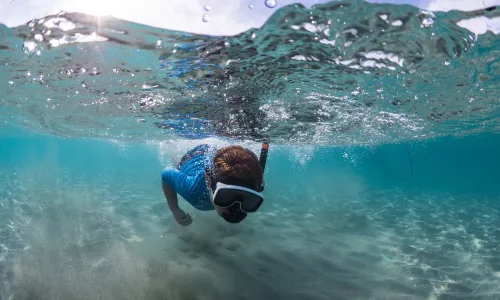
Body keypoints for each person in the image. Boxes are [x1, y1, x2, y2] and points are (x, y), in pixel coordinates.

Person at [161, 143, 269, 225]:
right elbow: (166, 173)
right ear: (208, 181)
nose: (236, 209)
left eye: (248, 198)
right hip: (190, 157)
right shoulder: (194, 190)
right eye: (226, 195)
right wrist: (174, 208)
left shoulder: (256, 184)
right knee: (176, 165)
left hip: (218, 158)